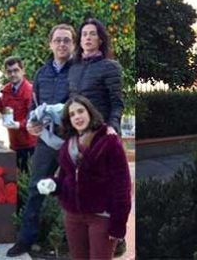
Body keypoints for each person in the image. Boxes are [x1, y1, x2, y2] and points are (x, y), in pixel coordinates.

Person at [7, 24, 75, 257]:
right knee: (36, 189)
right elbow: (32, 107)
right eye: (57, 40)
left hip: (72, 141)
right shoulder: (41, 73)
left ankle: (71, 243)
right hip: (46, 142)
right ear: (50, 44)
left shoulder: (79, 70)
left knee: (74, 190)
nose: (62, 44)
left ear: (73, 44)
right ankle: (25, 240)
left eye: (66, 40)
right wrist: (30, 123)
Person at [38, 96, 131, 260]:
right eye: (72, 114)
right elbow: (66, 180)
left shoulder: (109, 141)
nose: (77, 117)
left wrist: (118, 224)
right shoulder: (68, 144)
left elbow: (122, 186)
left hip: (101, 216)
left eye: (80, 111)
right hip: (73, 217)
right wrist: (53, 185)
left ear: (90, 112)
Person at [68, 18, 123, 133]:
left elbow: (117, 103)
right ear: (80, 40)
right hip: (78, 132)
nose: (88, 37)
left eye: (93, 34)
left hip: (101, 131)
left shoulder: (110, 67)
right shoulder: (73, 68)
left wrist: (112, 127)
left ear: (100, 40)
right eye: (84, 34)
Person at [0, 56, 34, 172]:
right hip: (14, 143)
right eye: (9, 71)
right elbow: (4, 109)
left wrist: (19, 125)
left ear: (22, 71)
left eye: (16, 70)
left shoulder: (29, 91)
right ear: (6, 73)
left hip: (30, 144)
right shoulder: (6, 90)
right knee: (16, 179)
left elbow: (33, 117)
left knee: (28, 176)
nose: (13, 74)